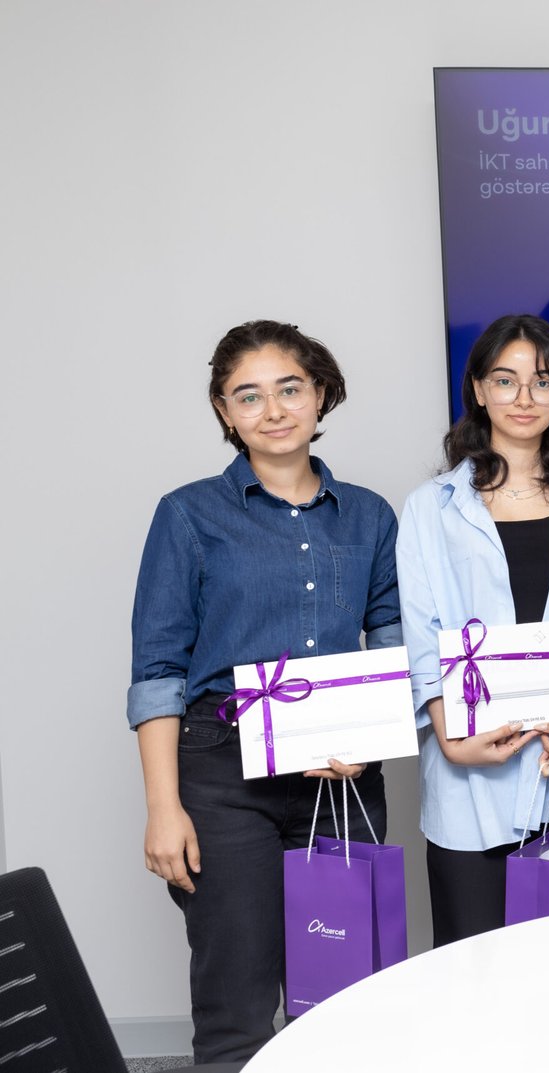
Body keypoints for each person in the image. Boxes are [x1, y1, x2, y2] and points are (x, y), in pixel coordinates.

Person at [128, 320, 400, 1063]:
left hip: (340, 779)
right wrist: (163, 809)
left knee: (347, 994)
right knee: (237, 1002)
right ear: (224, 410)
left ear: (321, 394)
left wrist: (368, 741)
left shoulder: (371, 515)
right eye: (248, 396)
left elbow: (395, 641)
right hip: (222, 776)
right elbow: (158, 670)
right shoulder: (187, 514)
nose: (273, 410)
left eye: (290, 388)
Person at [397, 314, 549, 947]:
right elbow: (423, 637)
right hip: (471, 774)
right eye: (505, 380)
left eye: (543, 381)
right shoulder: (431, 508)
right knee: (474, 964)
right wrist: (452, 740)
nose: (524, 397)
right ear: (479, 390)